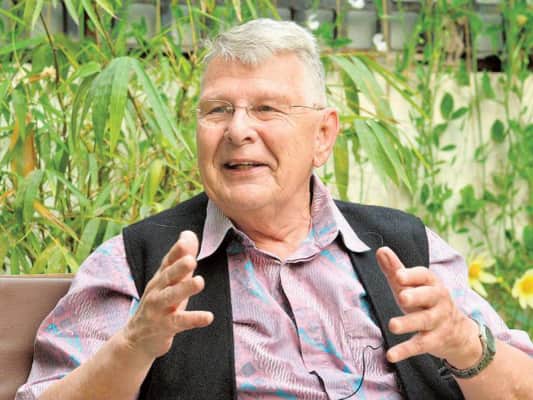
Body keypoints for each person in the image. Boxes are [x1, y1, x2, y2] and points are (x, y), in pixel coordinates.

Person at [17, 18, 533, 400]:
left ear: (323, 135)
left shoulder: (406, 247)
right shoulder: (140, 263)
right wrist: (133, 345)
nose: (238, 129)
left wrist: (466, 343)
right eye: (218, 109)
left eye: (266, 108)